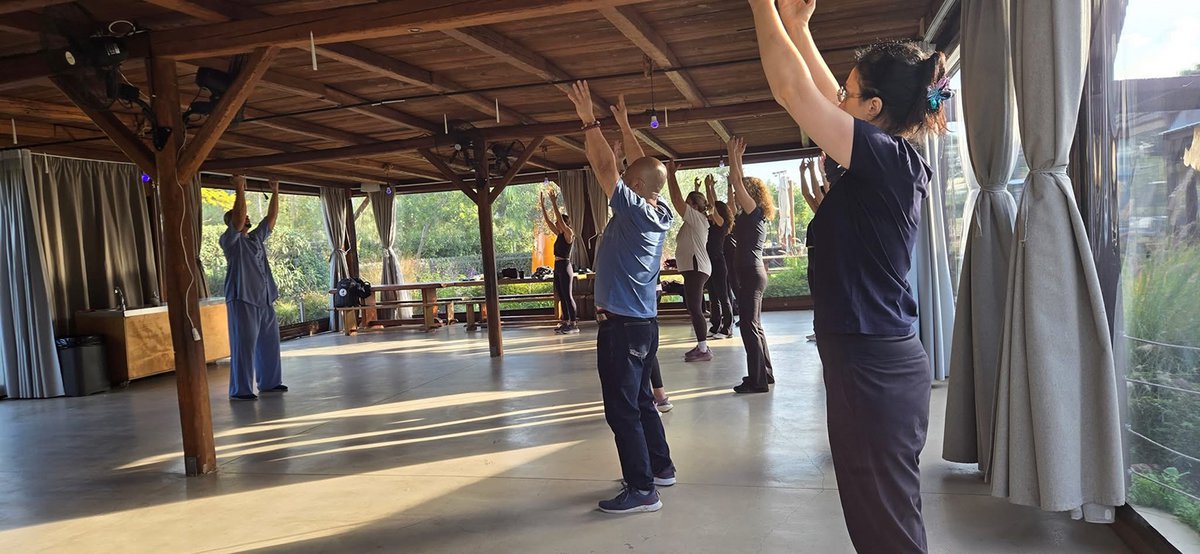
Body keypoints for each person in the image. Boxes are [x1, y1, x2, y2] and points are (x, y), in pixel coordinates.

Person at [751, 0, 948, 551]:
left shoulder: (888, 159)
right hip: (869, 360)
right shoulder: (881, 159)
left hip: (874, 367)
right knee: (882, 520)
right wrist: (798, 27)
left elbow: (796, 93)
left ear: (875, 108)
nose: (837, 101)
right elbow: (822, 95)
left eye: (850, 94)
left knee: (886, 528)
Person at [567, 82, 675, 514]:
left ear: (636, 185)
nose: (622, 184)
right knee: (643, 401)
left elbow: (606, 168)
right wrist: (627, 126)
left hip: (623, 327)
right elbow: (641, 166)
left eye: (629, 181)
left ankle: (642, 489)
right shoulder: (658, 209)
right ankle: (660, 467)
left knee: (622, 409)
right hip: (643, 325)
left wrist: (588, 120)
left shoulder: (634, 211)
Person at [220, 176, 286, 401]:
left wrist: (275, 191)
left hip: (264, 298)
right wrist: (240, 188)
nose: (246, 218)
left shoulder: (255, 239)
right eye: (242, 217)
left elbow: (271, 219)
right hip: (242, 298)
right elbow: (239, 218)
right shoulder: (230, 241)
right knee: (244, 345)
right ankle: (241, 390)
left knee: (269, 342)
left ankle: (269, 382)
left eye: (247, 217)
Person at [726, 137, 776, 394]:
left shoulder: (753, 211)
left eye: (743, 191)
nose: (737, 194)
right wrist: (738, 158)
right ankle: (764, 374)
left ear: (751, 195)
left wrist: (731, 154)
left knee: (748, 325)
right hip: (751, 273)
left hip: (750, 274)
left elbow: (737, 182)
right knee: (753, 324)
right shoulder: (752, 213)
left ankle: (757, 381)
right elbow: (739, 181)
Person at [665, 163, 713, 362]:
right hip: (693, 268)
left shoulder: (697, 218)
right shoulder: (693, 221)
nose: (683, 205)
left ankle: (703, 349)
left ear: (694, 206)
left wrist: (671, 175)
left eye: (688, 203)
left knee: (694, 308)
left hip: (696, 268)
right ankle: (702, 346)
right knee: (693, 307)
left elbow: (676, 200)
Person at [540, 188, 579, 334]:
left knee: (568, 296)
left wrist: (554, 202)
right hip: (557, 266)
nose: (557, 224)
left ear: (564, 223)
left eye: (559, 223)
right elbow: (548, 222)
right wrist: (543, 205)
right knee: (561, 296)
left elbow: (559, 220)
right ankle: (566, 321)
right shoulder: (559, 234)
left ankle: (573, 324)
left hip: (565, 266)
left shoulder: (569, 233)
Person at [706, 191, 735, 339]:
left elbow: (712, 205)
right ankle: (715, 325)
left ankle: (727, 327)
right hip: (709, 262)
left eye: (714, 212)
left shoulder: (721, 224)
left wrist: (708, 187)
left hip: (718, 262)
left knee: (723, 296)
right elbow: (706, 208)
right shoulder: (710, 225)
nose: (710, 213)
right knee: (713, 296)